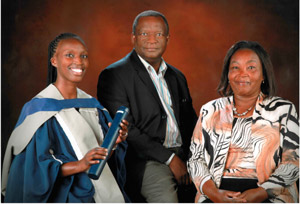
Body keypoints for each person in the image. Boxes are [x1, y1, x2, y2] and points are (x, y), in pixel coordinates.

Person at [1, 33, 129, 202]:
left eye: (83, 56)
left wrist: (113, 144)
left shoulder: (93, 106)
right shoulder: (38, 110)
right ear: (54, 61)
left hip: (101, 191)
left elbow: (102, 161)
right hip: (65, 194)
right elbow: (33, 168)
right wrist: (80, 165)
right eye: (70, 55)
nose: (79, 61)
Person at [97, 10, 198, 202]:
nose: (152, 40)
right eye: (144, 34)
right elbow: (127, 131)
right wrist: (170, 159)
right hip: (145, 161)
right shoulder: (114, 75)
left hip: (186, 155)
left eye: (158, 34)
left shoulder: (177, 76)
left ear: (168, 38)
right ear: (133, 38)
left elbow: (191, 122)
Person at [187, 40, 299, 203]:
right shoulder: (211, 110)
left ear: (263, 75)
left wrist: (261, 192)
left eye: (251, 67)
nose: (242, 74)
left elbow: (294, 161)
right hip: (218, 191)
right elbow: (195, 159)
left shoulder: (283, 109)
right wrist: (214, 194)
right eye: (235, 67)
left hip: (269, 193)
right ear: (228, 74)